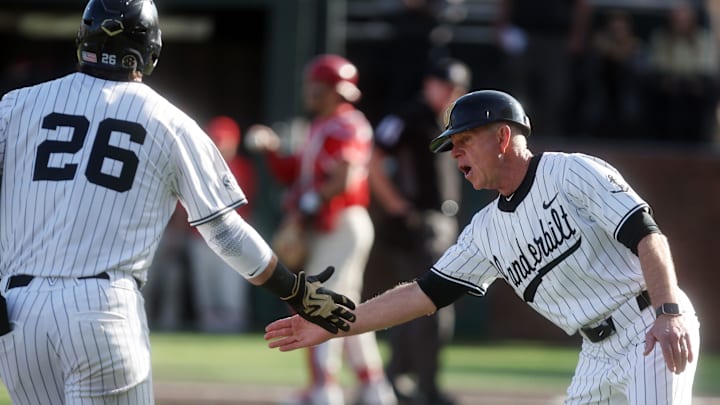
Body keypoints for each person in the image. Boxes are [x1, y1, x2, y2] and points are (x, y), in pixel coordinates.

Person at [0, 1, 356, 403]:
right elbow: (224, 231)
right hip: (102, 309)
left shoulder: (15, 106)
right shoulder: (169, 121)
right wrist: (293, 291)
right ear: (150, 49)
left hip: (17, 311)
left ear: (83, 39)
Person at [266, 90, 701, 405]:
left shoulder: (571, 173)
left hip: (650, 325)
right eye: (450, 146)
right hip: (596, 350)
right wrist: (337, 324)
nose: (454, 154)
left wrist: (668, 314)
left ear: (503, 137)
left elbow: (648, 235)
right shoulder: (485, 231)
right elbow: (423, 294)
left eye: (464, 141)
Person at [246, 54, 396, 405]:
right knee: (347, 309)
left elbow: (344, 179)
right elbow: (294, 174)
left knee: (317, 305)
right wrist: (272, 151)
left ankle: (324, 389)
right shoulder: (319, 126)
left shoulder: (348, 123)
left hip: (341, 223)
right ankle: (373, 387)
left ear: (330, 90)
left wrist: (304, 210)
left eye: (319, 87)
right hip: (331, 225)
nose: (312, 92)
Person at [367, 57, 470, 405]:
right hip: (419, 225)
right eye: (446, 85)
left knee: (420, 306)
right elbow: (373, 159)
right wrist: (398, 205)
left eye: (457, 88)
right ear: (429, 84)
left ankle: (403, 383)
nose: (451, 93)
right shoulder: (409, 117)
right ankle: (415, 386)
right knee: (428, 305)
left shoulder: (455, 121)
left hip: (440, 222)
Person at [189, 116, 257, 333]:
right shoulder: (199, 167)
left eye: (223, 140)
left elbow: (246, 204)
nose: (219, 145)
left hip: (232, 235)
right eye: (216, 140)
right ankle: (209, 327)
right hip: (201, 237)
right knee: (206, 287)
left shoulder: (242, 167)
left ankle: (233, 326)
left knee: (230, 286)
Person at [495, 0, 591, 137]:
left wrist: (578, 34)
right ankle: (519, 131)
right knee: (518, 87)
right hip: (521, 35)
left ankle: (550, 134)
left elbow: (581, 5)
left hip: (557, 37)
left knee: (556, 89)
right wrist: (501, 25)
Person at [645, 0, 719, 143]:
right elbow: (660, 66)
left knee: (706, 88)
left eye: (685, 19)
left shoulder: (704, 39)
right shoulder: (661, 38)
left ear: (693, 20)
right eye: (677, 19)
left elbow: (705, 67)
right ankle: (663, 142)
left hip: (696, 88)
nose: (681, 24)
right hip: (669, 88)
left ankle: (701, 141)